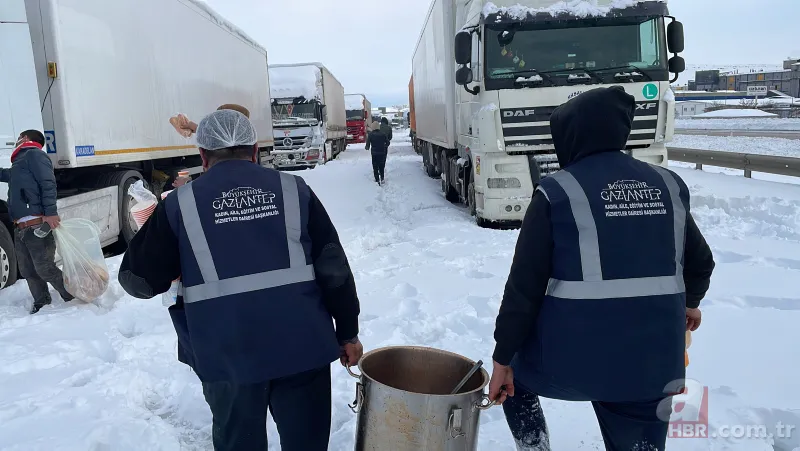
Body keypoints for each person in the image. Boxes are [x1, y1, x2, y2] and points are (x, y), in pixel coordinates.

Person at [118, 109, 363, 451]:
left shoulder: (181, 205)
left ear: (203, 155)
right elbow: (334, 267)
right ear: (253, 150)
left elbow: (138, 281)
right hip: (302, 345)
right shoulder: (294, 189)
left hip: (226, 353)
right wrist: (348, 331)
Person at [488, 86, 715, 451]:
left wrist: (502, 358)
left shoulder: (555, 192)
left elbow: (523, 289)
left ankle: (534, 447)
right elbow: (701, 262)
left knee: (515, 377)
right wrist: (689, 303)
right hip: (651, 364)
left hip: (571, 362)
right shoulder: (669, 185)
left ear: (570, 135)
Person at [0, 130, 74, 314]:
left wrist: (50, 214)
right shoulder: (20, 163)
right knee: (28, 270)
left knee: (45, 268)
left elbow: (48, 183)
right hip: (20, 227)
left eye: (18, 138)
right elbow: (8, 176)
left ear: (25, 139)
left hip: (37, 224)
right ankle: (42, 302)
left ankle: (72, 296)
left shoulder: (35, 155)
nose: (16, 141)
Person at [365, 120, 389, 185]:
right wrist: (384, 146)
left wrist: (367, 147)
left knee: (375, 166)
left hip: (374, 153)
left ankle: (377, 180)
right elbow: (388, 143)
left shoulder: (370, 134)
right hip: (382, 152)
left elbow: (367, 145)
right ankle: (382, 178)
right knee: (381, 165)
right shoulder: (383, 134)